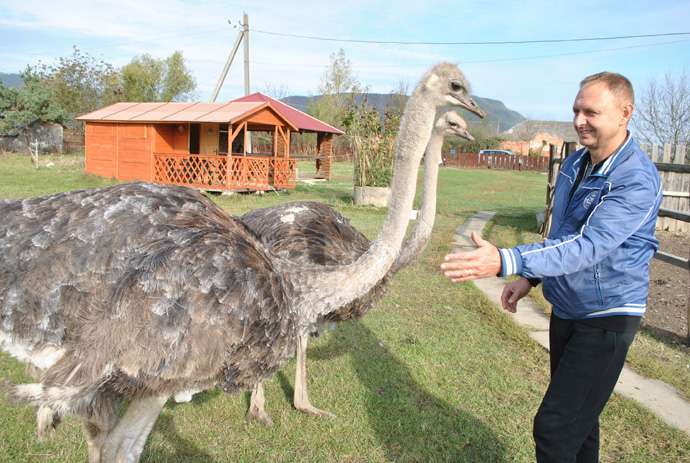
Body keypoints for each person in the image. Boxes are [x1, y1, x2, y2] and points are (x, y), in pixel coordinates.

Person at [440, 72, 663, 462]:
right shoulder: (576, 162)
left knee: (555, 426)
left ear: (625, 113)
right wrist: (530, 276)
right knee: (580, 426)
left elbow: (589, 245)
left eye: (591, 112)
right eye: (576, 110)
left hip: (606, 317)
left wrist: (508, 259)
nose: (579, 120)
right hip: (567, 310)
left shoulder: (635, 179)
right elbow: (562, 232)